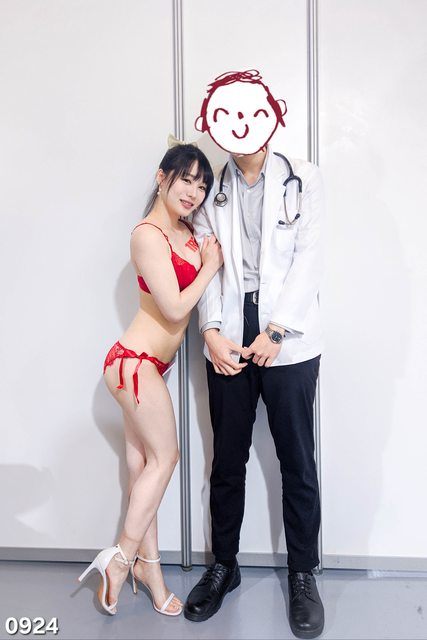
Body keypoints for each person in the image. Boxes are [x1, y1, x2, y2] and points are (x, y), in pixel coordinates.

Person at [184, 70, 325, 639]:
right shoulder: (211, 188)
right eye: (229, 116)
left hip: (286, 331)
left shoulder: (303, 178)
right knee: (227, 459)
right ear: (215, 124)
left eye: (252, 113)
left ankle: (303, 574)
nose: (243, 126)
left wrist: (277, 330)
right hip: (229, 327)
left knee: (297, 460)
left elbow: (309, 259)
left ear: (271, 113)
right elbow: (208, 265)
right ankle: (224, 565)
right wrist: (210, 331)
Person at [78, 144, 223, 617]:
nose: (194, 192)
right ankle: (121, 559)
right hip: (133, 364)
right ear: (162, 178)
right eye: (187, 179)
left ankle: (151, 571)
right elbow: (175, 308)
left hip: (150, 367)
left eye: (202, 185)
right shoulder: (147, 234)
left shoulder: (187, 231)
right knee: (167, 458)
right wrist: (209, 267)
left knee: (144, 471)